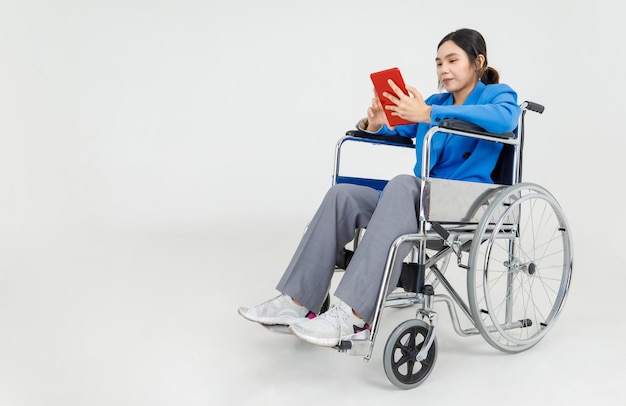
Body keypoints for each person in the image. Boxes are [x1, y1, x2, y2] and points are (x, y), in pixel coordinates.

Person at [238, 28, 522, 348]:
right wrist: (373, 123)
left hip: (464, 201)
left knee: (402, 183)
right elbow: (399, 130)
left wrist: (429, 113)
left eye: (452, 60)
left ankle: (354, 314)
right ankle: (297, 301)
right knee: (342, 195)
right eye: (439, 62)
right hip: (422, 197)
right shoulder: (435, 100)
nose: (443, 69)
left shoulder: (498, 96)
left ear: (477, 62)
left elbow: (505, 120)